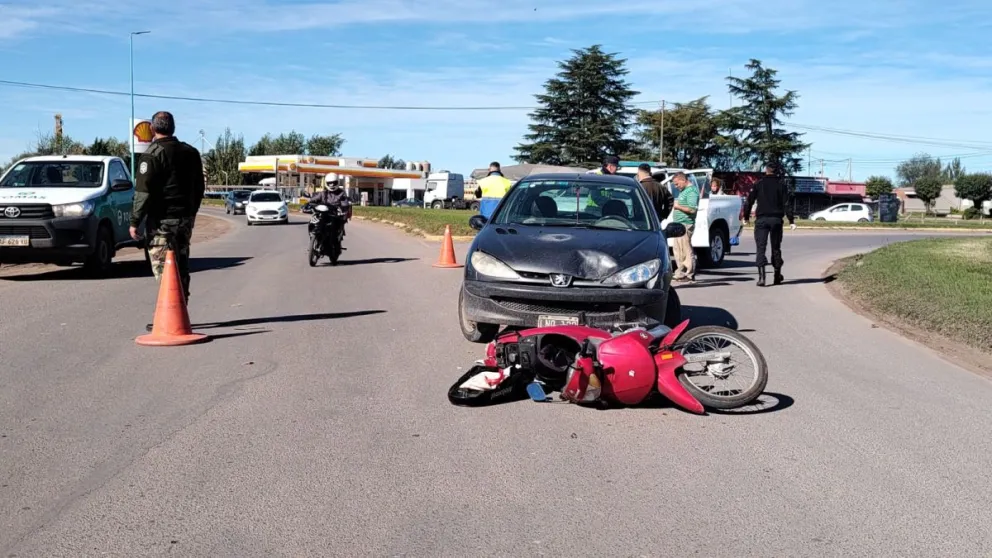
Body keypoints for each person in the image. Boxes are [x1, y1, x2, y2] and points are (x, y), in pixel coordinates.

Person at [129, 111, 203, 306]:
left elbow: (143, 193)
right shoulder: (191, 152)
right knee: (182, 264)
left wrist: (135, 221)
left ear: (153, 129)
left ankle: (170, 315)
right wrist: (191, 213)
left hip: (162, 223)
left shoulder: (152, 155)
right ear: (173, 128)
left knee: (164, 267)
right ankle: (181, 310)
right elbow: (199, 188)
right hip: (184, 220)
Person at [743, 162, 797, 286]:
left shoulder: (759, 184)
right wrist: (791, 220)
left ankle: (762, 278)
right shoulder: (782, 185)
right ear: (777, 171)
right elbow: (787, 204)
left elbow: (748, 202)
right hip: (776, 220)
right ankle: (777, 275)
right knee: (776, 248)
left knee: (760, 248)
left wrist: (746, 217)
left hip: (762, 220)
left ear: (766, 170)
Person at [670, 172, 698, 282]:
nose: (676, 186)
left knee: (686, 249)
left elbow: (692, 209)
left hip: (685, 224)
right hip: (679, 224)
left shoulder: (691, 191)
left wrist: (677, 206)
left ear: (683, 180)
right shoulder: (684, 191)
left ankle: (689, 273)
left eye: (677, 184)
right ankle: (680, 272)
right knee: (678, 250)